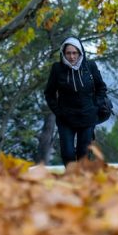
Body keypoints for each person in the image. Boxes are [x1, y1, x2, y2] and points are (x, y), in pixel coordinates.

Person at [44, 37, 109, 166]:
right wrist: (58, 112)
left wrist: (96, 106)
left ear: (80, 52)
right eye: (68, 53)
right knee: (68, 153)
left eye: (75, 53)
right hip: (66, 119)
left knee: (83, 154)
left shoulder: (90, 66)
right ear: (63, 53)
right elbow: (49, 93)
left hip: (88, 117)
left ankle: (81, 183)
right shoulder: (57, 68)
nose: (72, 56)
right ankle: (70, 180)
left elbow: (101, 87)